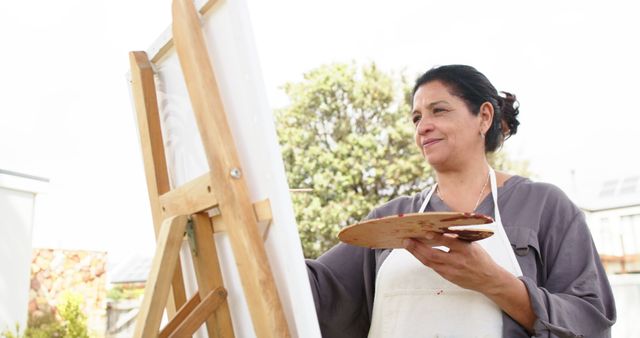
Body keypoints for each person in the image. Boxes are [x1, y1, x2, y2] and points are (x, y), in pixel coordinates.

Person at [305, 65, 616, 337]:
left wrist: (496, 283)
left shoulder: (544, 206)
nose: (422, 126)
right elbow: (312, 291)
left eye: (438, 110)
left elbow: (590, 323)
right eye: (416, 118)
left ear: (483, 116)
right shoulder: (390, 219)